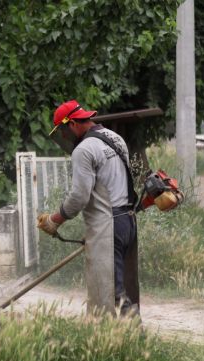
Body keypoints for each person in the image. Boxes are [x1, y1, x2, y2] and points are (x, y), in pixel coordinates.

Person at [37, 100, 140, 317]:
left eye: (63, 131)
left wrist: (54, 220)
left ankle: (134, 338)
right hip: (127, 221)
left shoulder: (83, 150)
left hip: (109, 225)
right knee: (119, 285)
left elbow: (79, 197)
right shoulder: (115, 138)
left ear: (72, 123)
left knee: (112, 292)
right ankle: (124, 342)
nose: (64, 136)